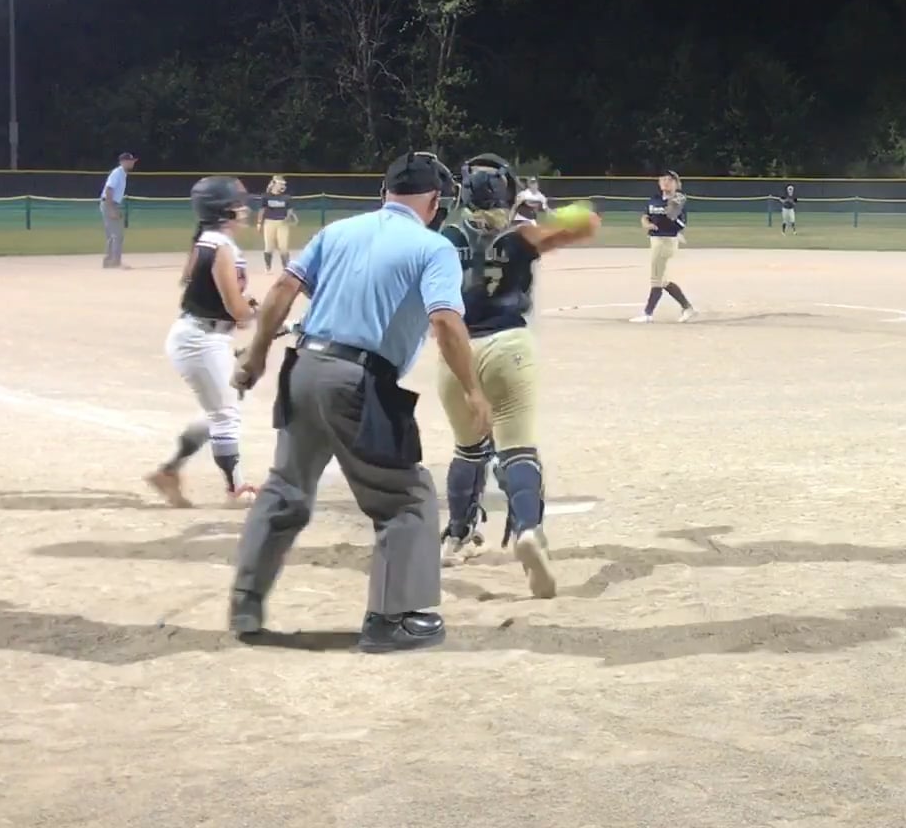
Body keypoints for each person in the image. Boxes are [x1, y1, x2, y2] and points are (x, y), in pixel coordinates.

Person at [230, 151, 490, 654]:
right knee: (405, 498)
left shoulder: (338, 232)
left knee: (285, 490)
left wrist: (257, 355)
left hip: (303, 368)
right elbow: (444, 320)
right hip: (359, 380)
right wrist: (473, 390)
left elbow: (283, 288)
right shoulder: (433, 247)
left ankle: (246, 601)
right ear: (434, 201)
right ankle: (392, 620)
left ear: (385, 192)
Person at [436, 154, 601, 597]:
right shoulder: (522, 234)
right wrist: (566, 215)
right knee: (518, 449)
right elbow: (586, 226)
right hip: (509, 346)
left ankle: (457, 535)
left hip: (458, 350)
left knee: (467, 450)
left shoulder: (445, 237)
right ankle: (529, 529)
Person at [147, 177, 260, 509]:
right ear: (224, 211)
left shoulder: (208, 240)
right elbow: (237, 310)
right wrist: (262, 313)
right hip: (201, 340)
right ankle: (237, 490)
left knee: (220, 409)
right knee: (226, 414)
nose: (245, 209)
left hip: (203, 336)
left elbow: (215, 299)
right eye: (238, 204)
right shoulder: (221, 246)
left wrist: (245, 311)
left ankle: (168, 471)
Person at [631, 170, 698, 323]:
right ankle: (688, 308)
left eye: (669, 180)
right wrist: (646, 223)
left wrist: (672, 215)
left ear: (676, 184)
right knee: (663, 280)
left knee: (656, 279)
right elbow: (645, 216)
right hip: (655, 240)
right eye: (663, 179)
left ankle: (648, 314)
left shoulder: (678, 199)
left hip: (666, 240)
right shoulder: (654, 199)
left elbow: (681, 224)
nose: (665, 182)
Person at [100, 152, 136, 269]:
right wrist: (112, 209)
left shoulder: (122, 174)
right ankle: (115, 261)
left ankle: (109, 260)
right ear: (122, 162)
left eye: (132, 161)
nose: (132, 163)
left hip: (110, 203)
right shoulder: (117, 173)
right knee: (117, 235)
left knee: (112, 234)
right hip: (109, 203)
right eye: (130, 161)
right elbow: (109, 189)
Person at [256, 175, 298, 271]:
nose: (283, 186)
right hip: (269, 222)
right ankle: (268, 266)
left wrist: (290, 218)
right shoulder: (266, 196)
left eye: (283, 184)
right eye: (280, 184)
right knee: (269, 246)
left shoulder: (286, 197)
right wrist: (259, 223)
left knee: (283, 246)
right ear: (274, 184)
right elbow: (262, 210)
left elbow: (290, 210)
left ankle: (286, 267)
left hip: (282, 223)